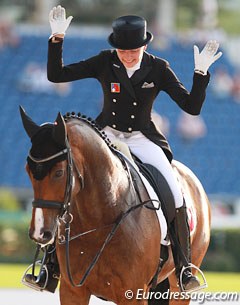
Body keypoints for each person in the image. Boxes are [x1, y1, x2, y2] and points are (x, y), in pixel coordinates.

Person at [25, 5, 222, 292]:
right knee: (71, 187)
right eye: (123, 50)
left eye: (134, 50)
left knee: (174, 192)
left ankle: (184, 267)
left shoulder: (158, 68)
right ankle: (50, 267)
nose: (128, 55)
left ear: (145, 45)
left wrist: (200, 73)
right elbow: (57, 75)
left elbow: (192, 106)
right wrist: (56, 40)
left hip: (143, 138)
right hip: (106, 135)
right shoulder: (105, 61)